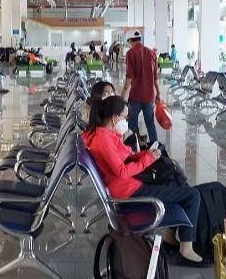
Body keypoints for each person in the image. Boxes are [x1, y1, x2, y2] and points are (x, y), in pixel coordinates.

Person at [82, 96, 202, 263]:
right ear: (114, 117)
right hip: (128, 191)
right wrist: (148, 160)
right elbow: (122, 171)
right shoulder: (103, 140)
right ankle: (186, 248)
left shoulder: (103, 134)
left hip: (128, 185)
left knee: (172, 181)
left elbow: (126, 156)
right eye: (124, 117)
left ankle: (169, 236)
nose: (125, 121)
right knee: (192, 195)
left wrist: (147, 154)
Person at [122, 31, 161, 145]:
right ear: (139, 39)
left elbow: (129, 78)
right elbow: (155, 78)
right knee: (150, 122)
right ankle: (155, 146)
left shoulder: (130, 53)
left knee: (132, 121)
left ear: (130, 41)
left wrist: (122, 96)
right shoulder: (152, 53)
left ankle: (136, 143)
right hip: (149, 96)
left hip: (136, 96)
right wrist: (158, 93)